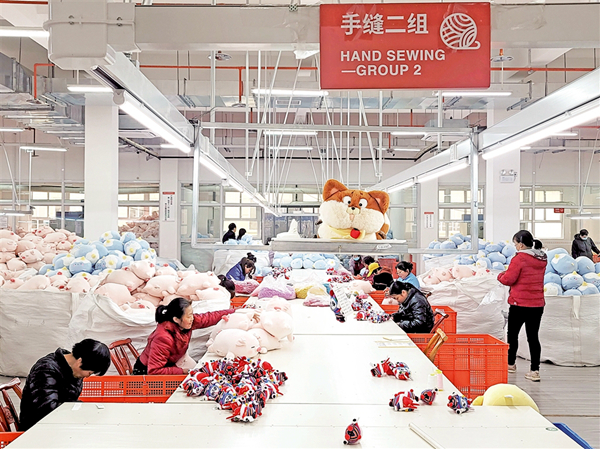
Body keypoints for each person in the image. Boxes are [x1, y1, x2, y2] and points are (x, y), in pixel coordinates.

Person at [20, 339, 111, 431]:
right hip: (38, 429)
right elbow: (47, 409)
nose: (87, 376)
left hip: (58, 424)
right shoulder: (46, 370)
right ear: (79, 361)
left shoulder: (72, 369)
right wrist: (81, 411)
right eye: (90, 373)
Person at [134, 298, 234, 375]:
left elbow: (208, 318)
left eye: (192, 314)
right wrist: (182, 371)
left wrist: (233, 312)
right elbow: (154, 371)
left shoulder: (186, 323)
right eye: (189, 316)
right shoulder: (163, 337)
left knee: (198, 372)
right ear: (176, 319)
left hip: (173, 360)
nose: (192, 318)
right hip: (146, 373)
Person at [497, 230, 547, 382]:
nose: (515, 247)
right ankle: (535, 370)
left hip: (519, 303)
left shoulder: (519, 258)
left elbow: (508, 279)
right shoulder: (542, 258)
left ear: (520, 244)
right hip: (537, 304)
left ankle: (511, 364)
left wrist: (500, 275)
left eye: (515, 244)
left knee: (513, 335)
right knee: (533, 337)